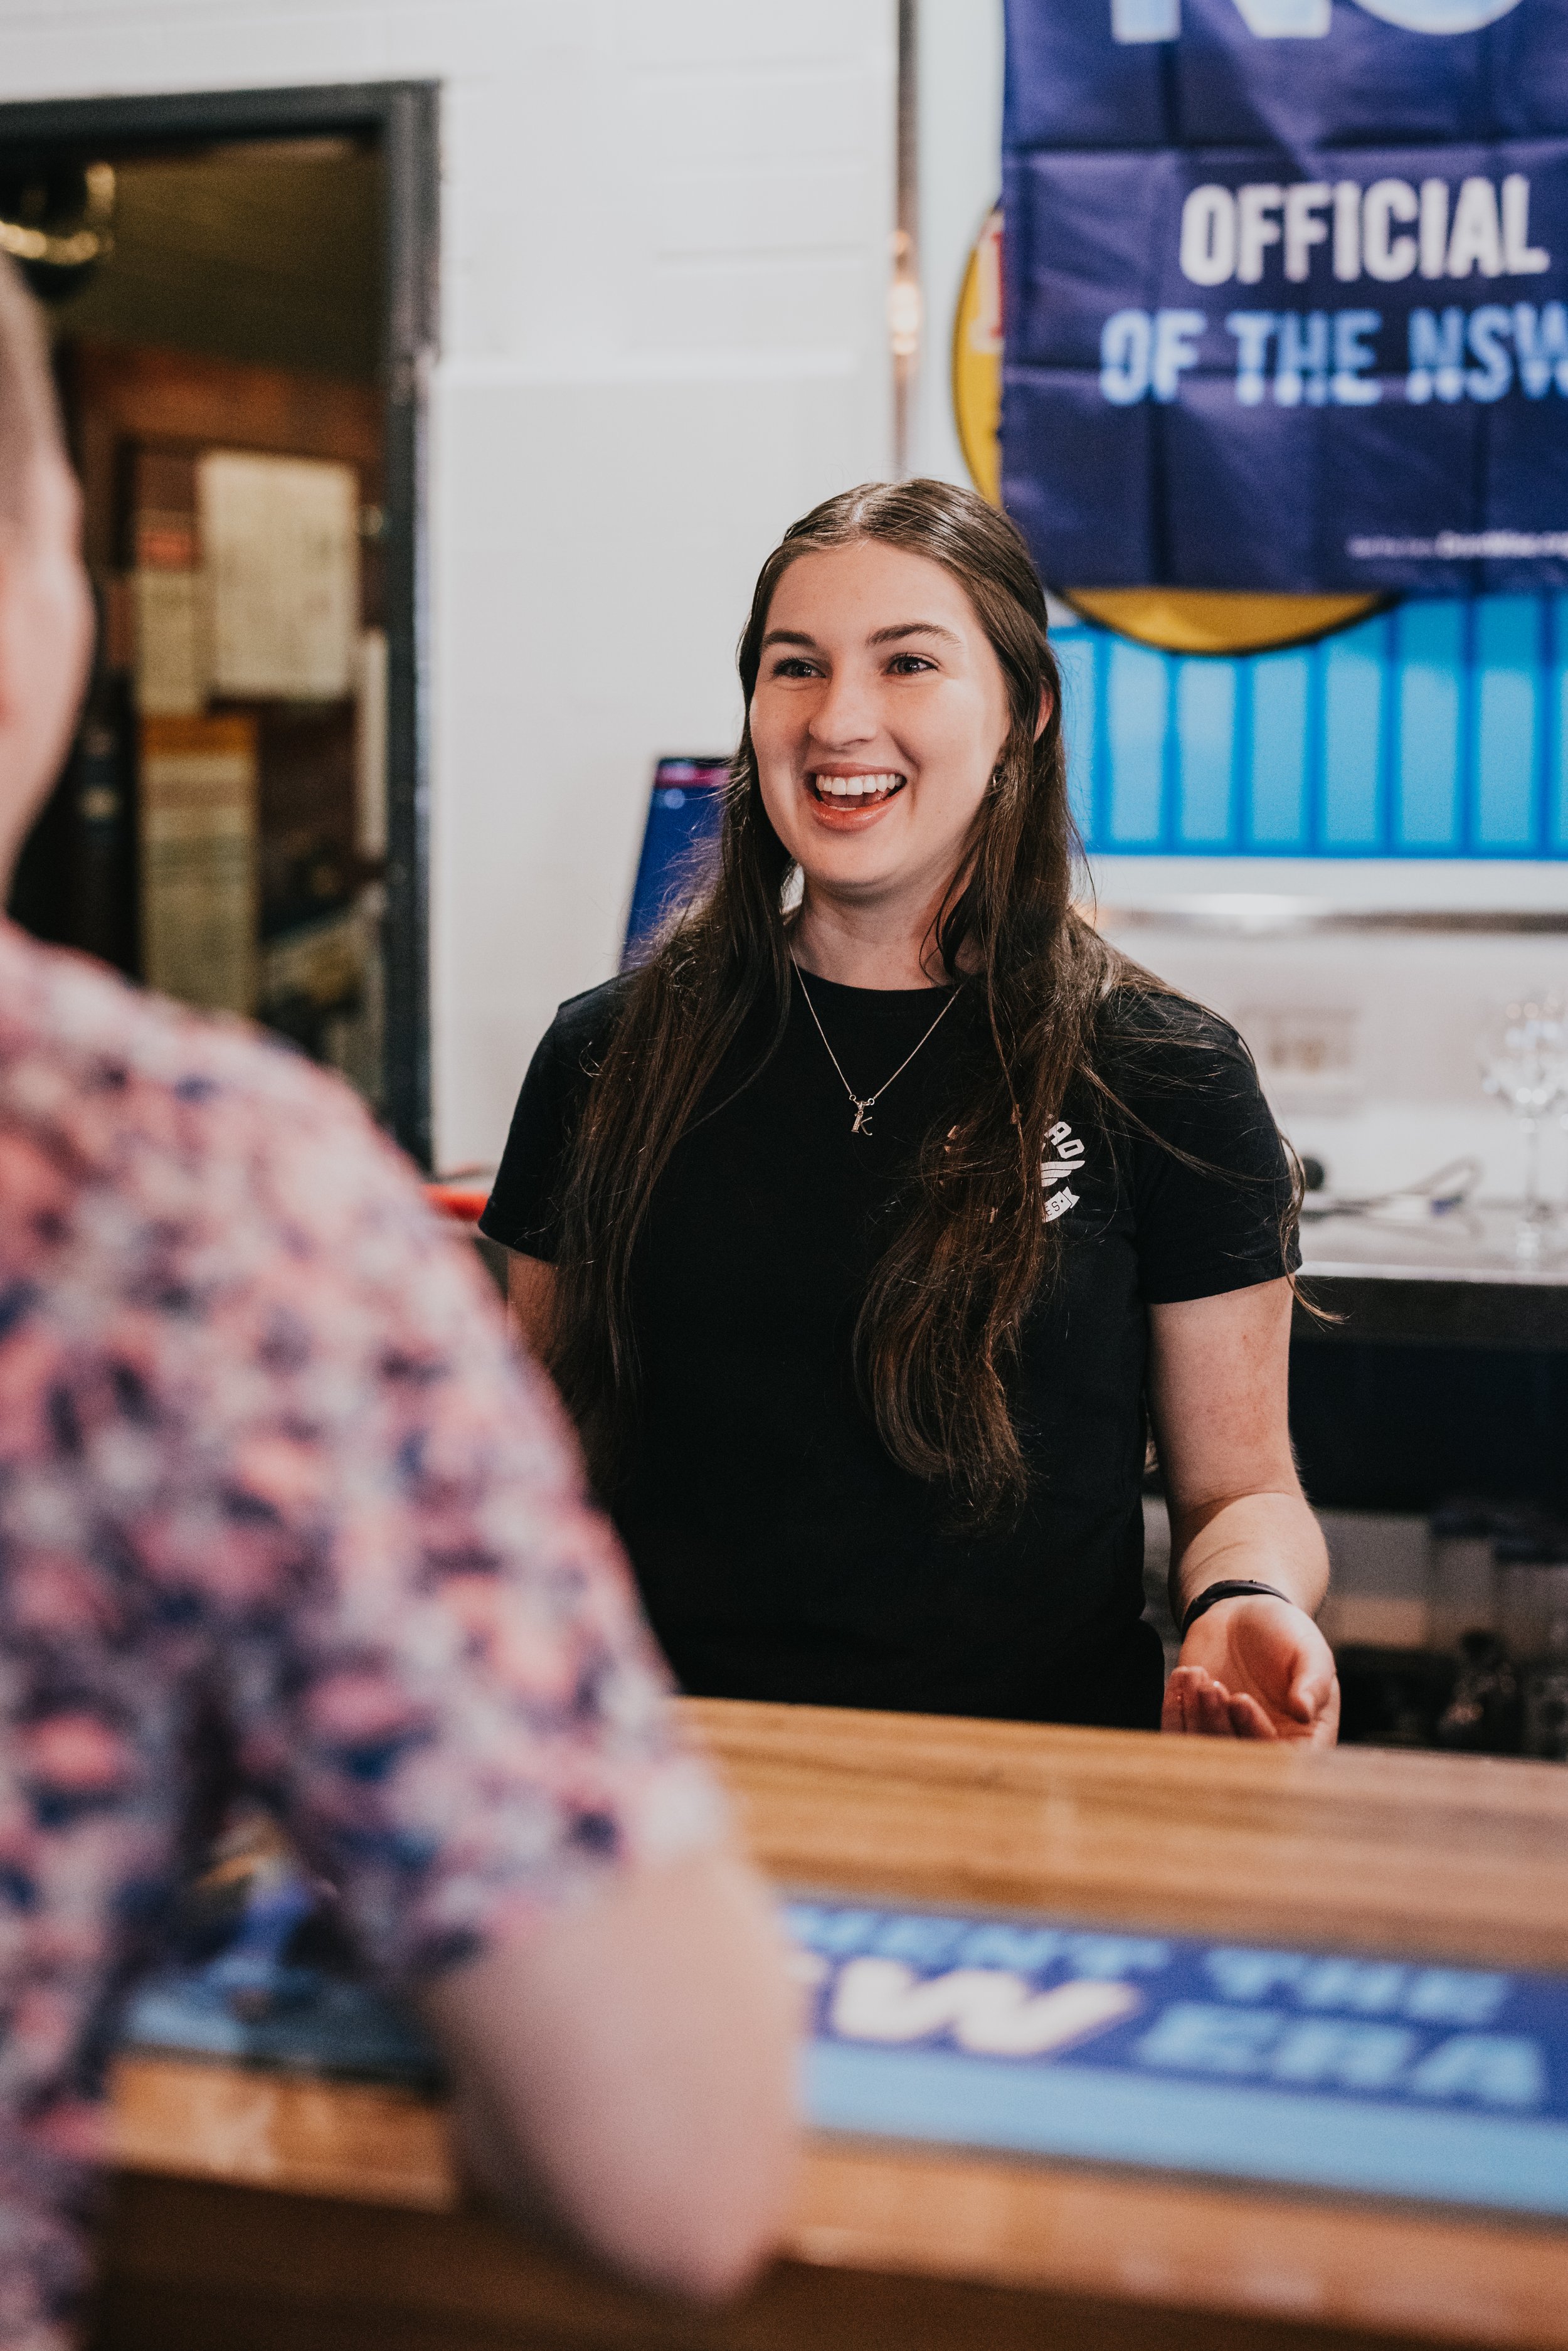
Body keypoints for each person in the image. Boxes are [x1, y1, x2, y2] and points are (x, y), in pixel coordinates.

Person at [0, 257, 797, 2350]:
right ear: (38, 610)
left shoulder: (1149, 1065)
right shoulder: (183, 1202)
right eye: (797, 666)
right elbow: (672, 2150)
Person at [482, 479, 1338, 1747]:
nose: (840, 718)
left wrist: (1243, 1596)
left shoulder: (1161, 1074)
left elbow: (1241, 1487)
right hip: (671, 1794)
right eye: (796, 667)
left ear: (1020, 714)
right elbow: (527, 1466)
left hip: (1040, 1791)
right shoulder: (604, 1058)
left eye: (908, 663)